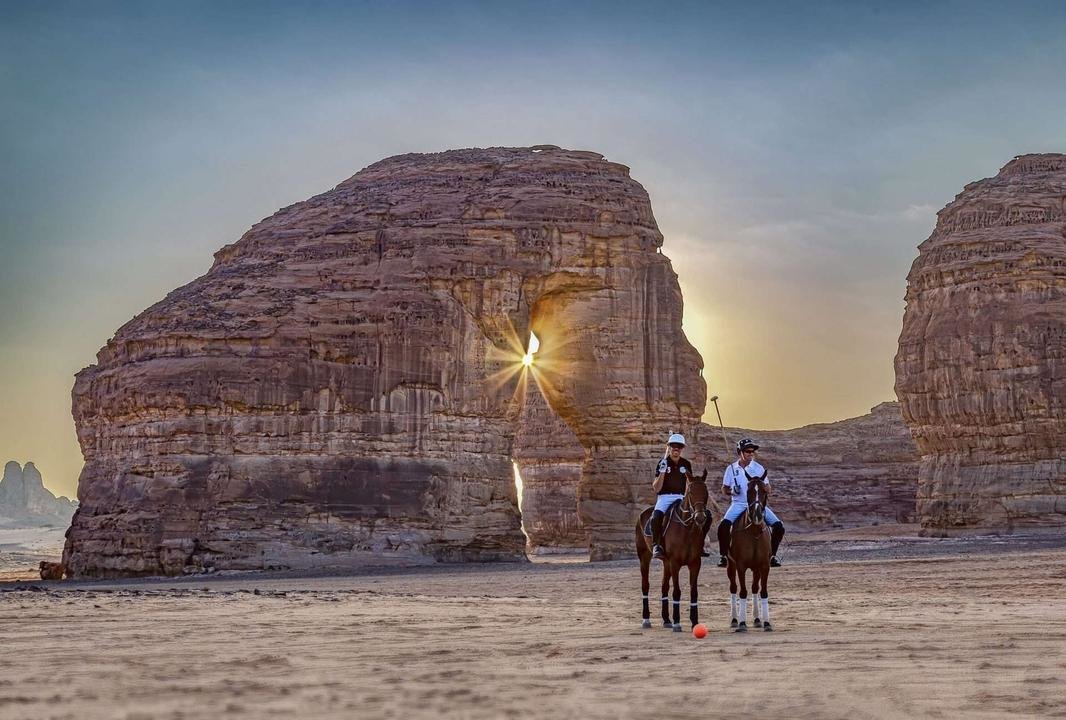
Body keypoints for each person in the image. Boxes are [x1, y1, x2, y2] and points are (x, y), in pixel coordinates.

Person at [715, 438, 785, 568]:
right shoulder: (731, 469)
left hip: (756, 504)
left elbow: (769, 488)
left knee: (779, 527)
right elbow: (724, 489)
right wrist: (732, 491)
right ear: (740, 452)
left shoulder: (759, 468)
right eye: (747, 451)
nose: (750, 454)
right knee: (723, 526)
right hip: (738, 504)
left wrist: (763, 487)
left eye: (752, 451)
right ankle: (724, 555)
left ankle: (772, 556)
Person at [649, 433, 693, 559]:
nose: (676, 448)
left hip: (680, 497)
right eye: (674, 446)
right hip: (665, 498)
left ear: (682, 448)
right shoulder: (662, 463)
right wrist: (662, 472)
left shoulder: (686, 464)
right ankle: (656, 545)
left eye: (679, 446)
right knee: (656, 517)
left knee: (696, 516)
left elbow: (689, 484)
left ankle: (696, 545)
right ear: (669, 447)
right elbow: (656, 488)